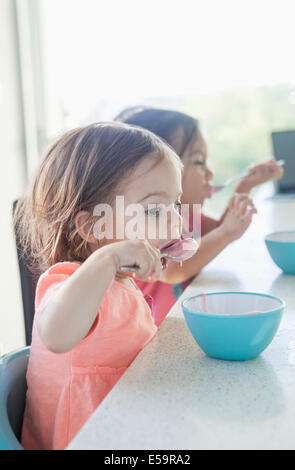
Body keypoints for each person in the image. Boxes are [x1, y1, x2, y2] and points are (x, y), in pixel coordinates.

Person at [14, 121, 184, 450]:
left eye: (175, 206)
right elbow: (57, 335)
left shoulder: (121, 282)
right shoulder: (68, 282)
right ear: (93, 226)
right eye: (154, 209)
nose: (176, 220)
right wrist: (105, 260)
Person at [115, 106, 283, 325]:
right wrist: (226, 233)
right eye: (199, 162)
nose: (210, 174)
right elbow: (173, 270)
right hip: (157, 344)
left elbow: (219, 234)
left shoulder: (188, 217)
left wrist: (247, 184)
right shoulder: (145, 227)